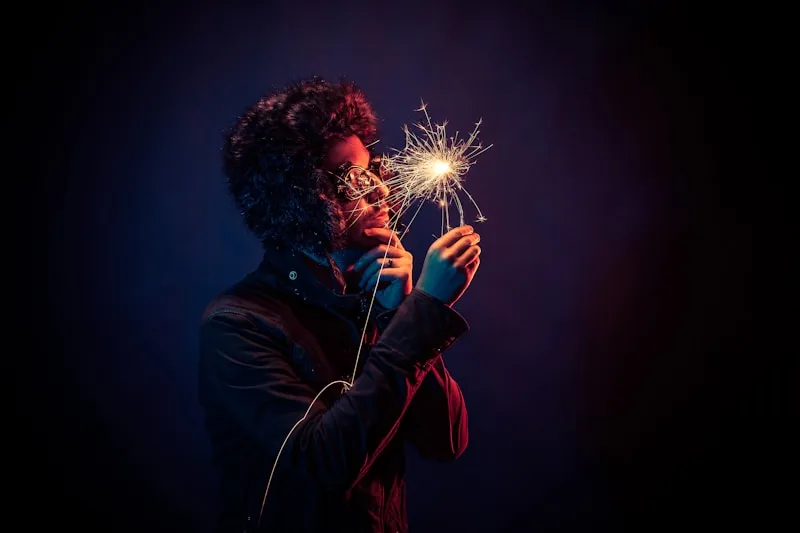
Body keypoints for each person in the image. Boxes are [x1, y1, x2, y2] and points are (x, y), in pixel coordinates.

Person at [198, 77, 482, 533]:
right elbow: (323, 464)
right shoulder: (238, 324)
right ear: (304, 201)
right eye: (352, 180)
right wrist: (425, 310)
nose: (382, 192)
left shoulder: (368, 299)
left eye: (374, 171)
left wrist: (400, 312)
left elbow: (447, 440)